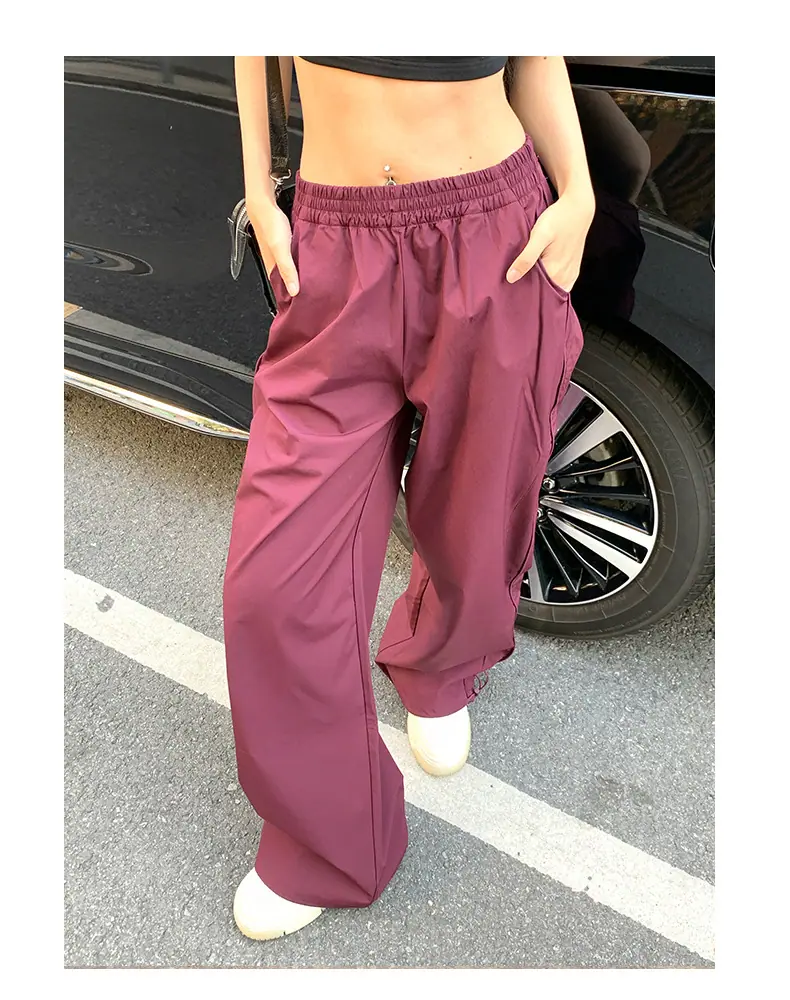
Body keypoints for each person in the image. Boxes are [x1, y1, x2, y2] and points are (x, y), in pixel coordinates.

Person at [223, 56, 594, 940]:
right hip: (334, 241)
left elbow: (535, 49)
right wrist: (259, 193)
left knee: (478, 509)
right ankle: (327, 841)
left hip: (494, 231)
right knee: (273, 584)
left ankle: (439, 664)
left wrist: (577, 193)